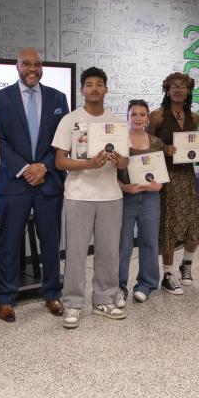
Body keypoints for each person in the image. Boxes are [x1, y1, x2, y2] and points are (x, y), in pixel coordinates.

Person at [0, 48, 69, 322]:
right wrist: (25, 169)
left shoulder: (58, 98)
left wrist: (44, 166)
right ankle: (6, 299)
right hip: (14, 183)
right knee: (10, 242)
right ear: (17, 66)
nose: (32, 69)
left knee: (50, 241)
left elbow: (64, 139)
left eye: (37, 64)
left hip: (48, 181)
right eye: (26, 64)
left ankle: (51, 294)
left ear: (42, 67)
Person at [53, 67, 128, 329]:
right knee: (75, 252)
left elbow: (125, 160)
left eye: (99, 84)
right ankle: (73, 303)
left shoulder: (117, 122)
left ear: (106, 89)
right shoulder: (70, 120)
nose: (94, 89)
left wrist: (120, 161)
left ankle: (104, 299)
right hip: (78, 195)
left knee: (108, 251)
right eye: (89, 84)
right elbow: (60, 161)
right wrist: (88, 165)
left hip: (110, 196)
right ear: (82, 90)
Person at [148, 72, 199, 295]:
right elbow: (146, 145)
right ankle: (168, 274)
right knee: (169, 225)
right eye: (174, 86)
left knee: (193, 221)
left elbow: (194, 148)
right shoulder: (157, 116)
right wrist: (163, 149)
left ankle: (186, 264)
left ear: (189, 90)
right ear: (167, 90)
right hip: (166, 176)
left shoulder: (194, 117)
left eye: (183, 86)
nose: (178, 90)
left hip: (188, 175)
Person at [117, 99, 164, 305]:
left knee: (149, 242)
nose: (137, 118)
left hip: (151, 198)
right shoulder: (118, 143)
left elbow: (162, 174)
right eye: (133, 114)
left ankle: (146, 284)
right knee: (123, 245)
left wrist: (159, 186)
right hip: (126, 198)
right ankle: (118, 286)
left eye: (142, 114)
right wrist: (124, 187)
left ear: (147, 118)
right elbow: (109, 174)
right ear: (127, 117)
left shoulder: (156, 142)